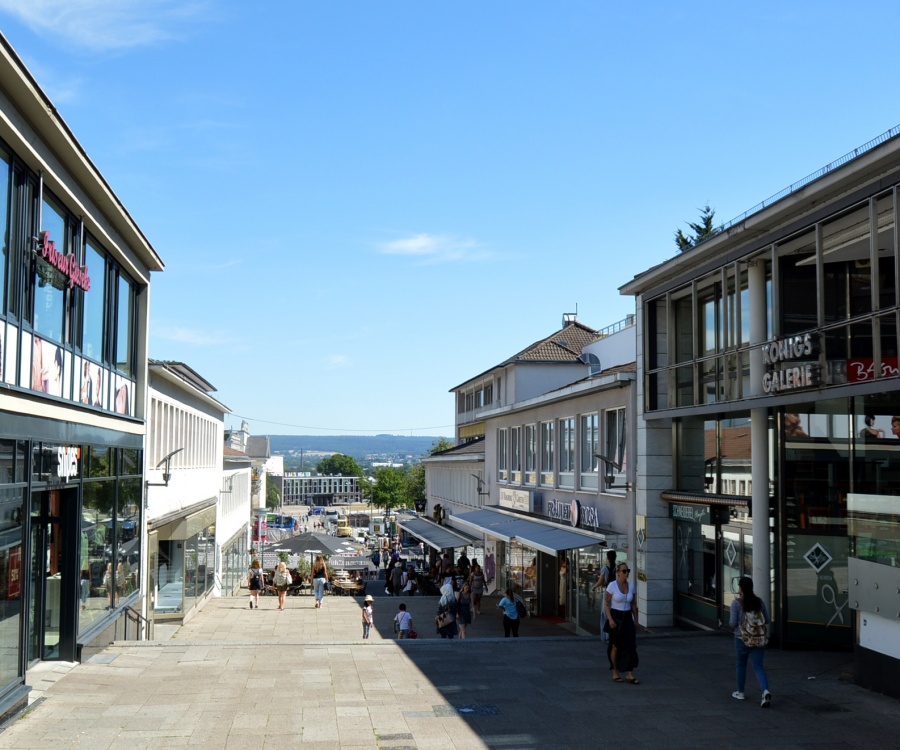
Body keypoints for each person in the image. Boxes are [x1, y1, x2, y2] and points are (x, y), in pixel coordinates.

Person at [730, 576, 771, 707]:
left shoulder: (736, 603)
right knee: (758, 666)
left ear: (741, 588)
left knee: (741, 665)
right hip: (759, 639)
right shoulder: (759, 602)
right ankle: (765, 691)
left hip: (741, 639)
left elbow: (732, 623)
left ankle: (740, 692)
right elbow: (767, 620)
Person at [604, 562, 639, 684]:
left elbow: (634, 604)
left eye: (627, 571)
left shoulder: (632, 585)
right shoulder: (612, 586)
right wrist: (610, 619)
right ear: (618, 573)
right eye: (624, 571)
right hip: (616, 616)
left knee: (630, 645)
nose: (626, 573)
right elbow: (607, 603)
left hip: (627, 617)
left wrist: (636, 621)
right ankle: (615, 671)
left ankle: (629, 673)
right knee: (615, 646)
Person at [594, 549, 617, 657]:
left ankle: (607, 636)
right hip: (616, 593)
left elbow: (600, 581)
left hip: (608, 592)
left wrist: (594, 587)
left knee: (605, 614)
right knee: (614, 613)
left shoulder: (605, 568)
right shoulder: (618, 568)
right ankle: (615, 635)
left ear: (608, 558)